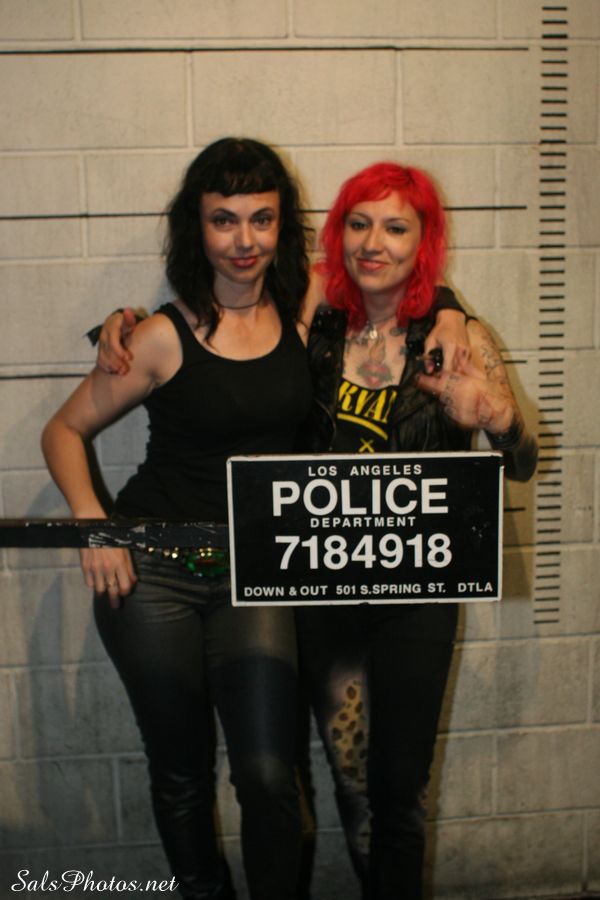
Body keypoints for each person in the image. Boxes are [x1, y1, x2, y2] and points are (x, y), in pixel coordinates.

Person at [43, 140, 469, 900]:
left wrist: (452, 313)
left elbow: (397, 280)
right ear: (197, 227)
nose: (243, 240)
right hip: (153, 572)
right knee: (181, 769)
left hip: (256, 574)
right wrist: (94, 526)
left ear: (282, 225)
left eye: (261, 219)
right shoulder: (161, 334)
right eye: (223, 220)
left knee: (271, 776)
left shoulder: (304, 308)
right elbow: (63, 431)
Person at [294, 162, 538, 899]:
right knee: (350, 783)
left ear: (423, 242)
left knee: (400, 789)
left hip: (417, 596)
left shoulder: (457, 339)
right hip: (323, 592)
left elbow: (523, 460)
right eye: (359, 224)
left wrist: (496, 417)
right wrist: (126, 321)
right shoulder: (312, 325)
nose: (374, 243)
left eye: (396, 227)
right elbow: (222, 309)